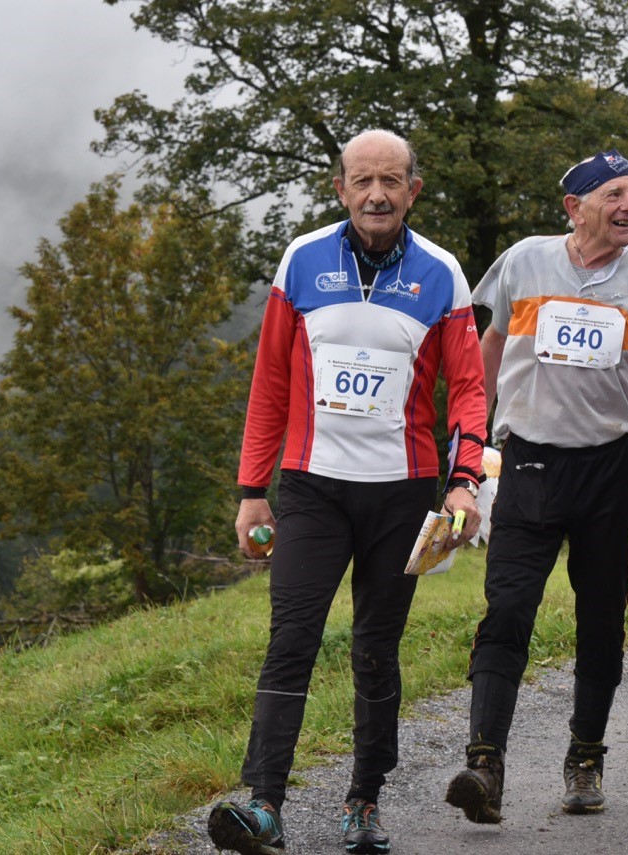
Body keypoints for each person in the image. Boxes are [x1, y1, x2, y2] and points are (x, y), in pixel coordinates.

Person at [208, 129, 486, 855]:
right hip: (311, 488)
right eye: (362, 181)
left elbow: (467, 390)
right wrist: (251, 489)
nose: (376, 195)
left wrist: (463, 483)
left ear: (413, 191)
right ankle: (263, 803)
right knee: (291, 640)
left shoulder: (443, 273)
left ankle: (364, 800)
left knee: (375, 649)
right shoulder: (302, 259)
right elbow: (269, 381)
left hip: (401, 493)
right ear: (340, 188)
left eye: (391, 181)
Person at [444, 149, 628, 824]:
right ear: (574, 206)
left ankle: (586, 757)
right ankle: (485, 764)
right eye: (616, 195)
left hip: (609, 471)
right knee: (507, 610)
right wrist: (465, 439)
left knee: (602, 621)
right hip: (528, 461)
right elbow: (490, 348)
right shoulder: (525, 261)